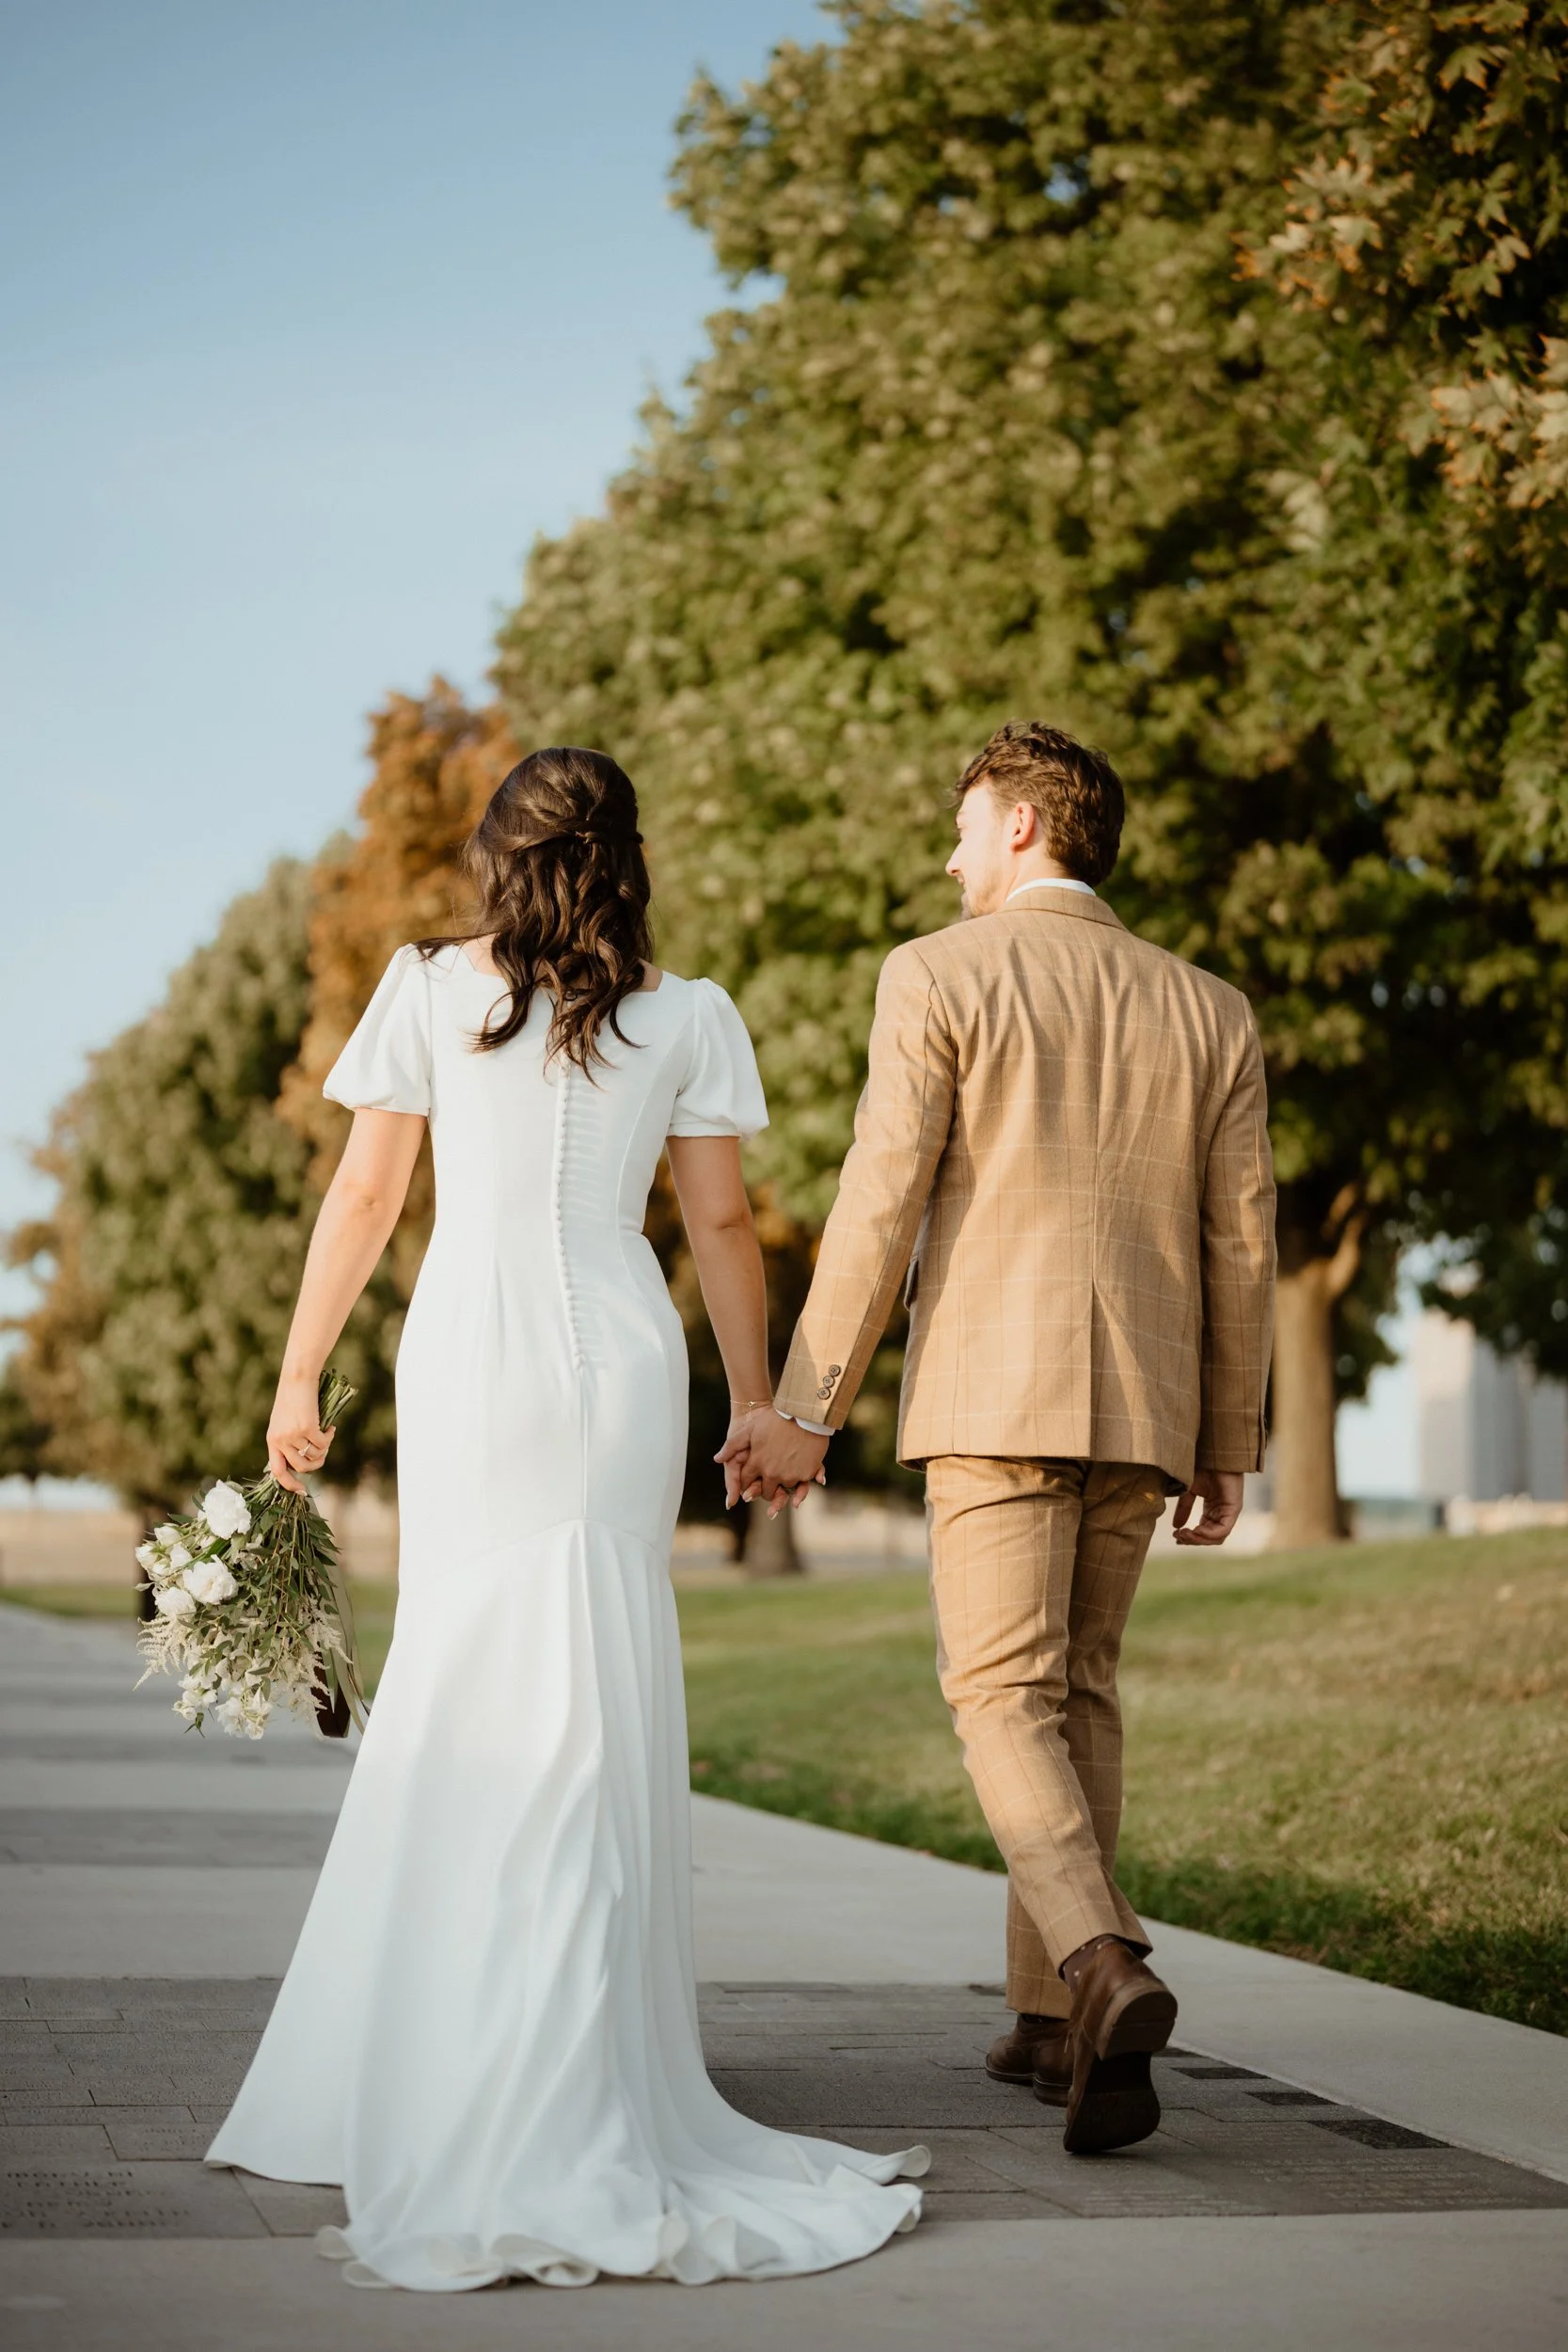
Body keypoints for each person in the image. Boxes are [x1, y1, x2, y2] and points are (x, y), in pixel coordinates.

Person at [205, 747, 927, 2291]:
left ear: (495, 853)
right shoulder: (689, 1010)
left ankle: (426, 2056)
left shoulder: (425, 990)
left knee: (468, 1677)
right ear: (628, 856)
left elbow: (363, 1200)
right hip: (619, 1364)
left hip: (469, 1358)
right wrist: (760, 1403)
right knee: (591, 1688)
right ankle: (588, 2060)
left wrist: (298, 1369)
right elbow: (719, 1221)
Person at [724, 721, 1276, 2158]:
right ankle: (1045, 2026)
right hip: (1147, 1405)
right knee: (1076, 1691)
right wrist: (1227, 1438)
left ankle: (1100, 1964)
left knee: (995, 1694)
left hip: (993, 1392)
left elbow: (878, 1195)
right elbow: (1241, 1241)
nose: (949, 852)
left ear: (1024, 826)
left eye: (964, 824)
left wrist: (804, 1406)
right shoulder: (1211, 1008)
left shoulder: (936, 972)